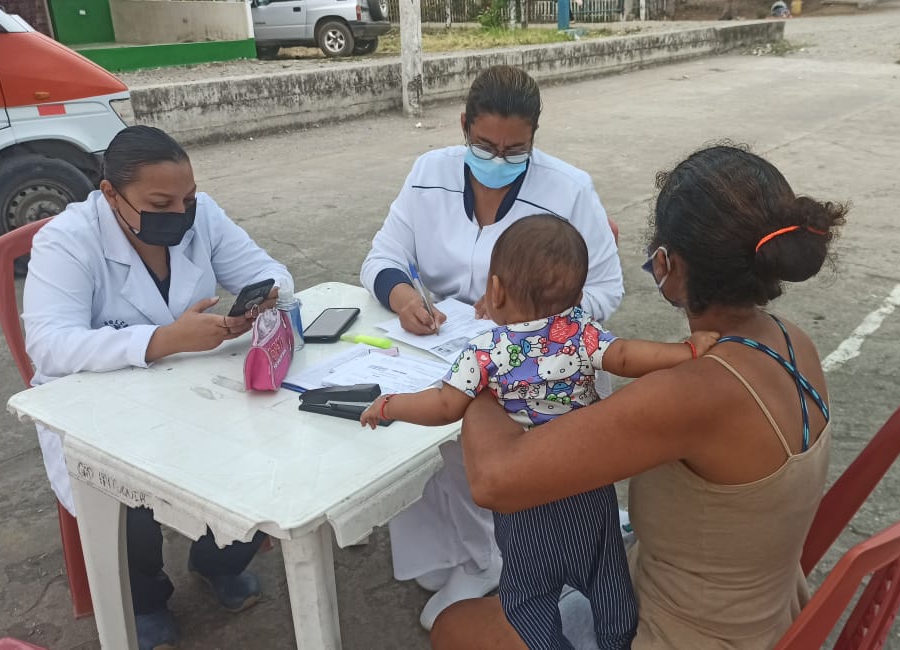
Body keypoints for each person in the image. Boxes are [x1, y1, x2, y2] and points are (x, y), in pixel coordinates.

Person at [431, 144, 848, 650]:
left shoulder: (695, 393)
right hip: (764, 613)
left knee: (455, 626)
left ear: (669, 266)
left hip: (687, 634)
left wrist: (488, 365)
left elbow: (494, 480)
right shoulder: (792, 340)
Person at [361, 215, 718, 649]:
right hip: (584, 486)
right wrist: (685, 351)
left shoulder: (484, 351)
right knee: (606, 575)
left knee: (529, 596)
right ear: (578, 296)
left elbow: (443, 405)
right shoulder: (582, 334)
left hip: (526, 499)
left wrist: (389, 404)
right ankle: (616, 638)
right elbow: (626, 356)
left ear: (494, 291)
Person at [359, 64, 624, 629]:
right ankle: (447, 551)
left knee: (477, 435)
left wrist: (528, 314)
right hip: (446, 341)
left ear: (534, 139)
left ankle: (487, 556)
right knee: (414, 428)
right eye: (484, 146)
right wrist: (404, 297)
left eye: (514, 150)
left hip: (538, 360)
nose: (498, 160)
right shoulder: (428, 174)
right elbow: (382, 256)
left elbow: (606, 290)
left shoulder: (569, 190)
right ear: (463, 126)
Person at [23, 125, 294, 650]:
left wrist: (262, 298)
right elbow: (50, 346)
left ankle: (218, 560)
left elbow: (270, 271)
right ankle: (145, 599)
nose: (180, 213)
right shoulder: (67, 239)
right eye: (160, 203)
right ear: (110, 193)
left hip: (191, 387)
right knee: (122, 494)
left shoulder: (202, 216)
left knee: (275, 442)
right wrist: (163, 340)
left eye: (187, 198)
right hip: (99, 404)